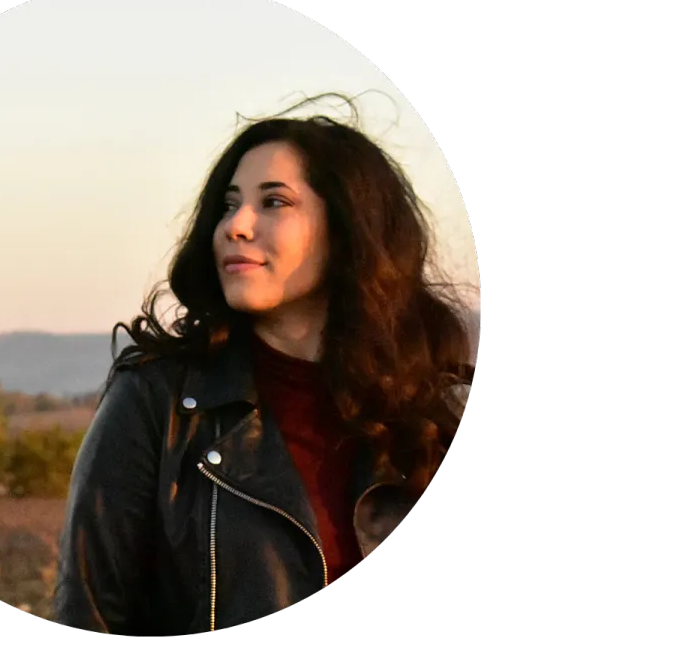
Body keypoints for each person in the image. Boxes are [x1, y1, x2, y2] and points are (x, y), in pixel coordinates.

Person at [50, 94, 478, 635]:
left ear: (348, 230)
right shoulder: (160, 404)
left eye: (274, 202)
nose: (236, 225)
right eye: (229, 205)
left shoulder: (431, 413)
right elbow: (90, 613)